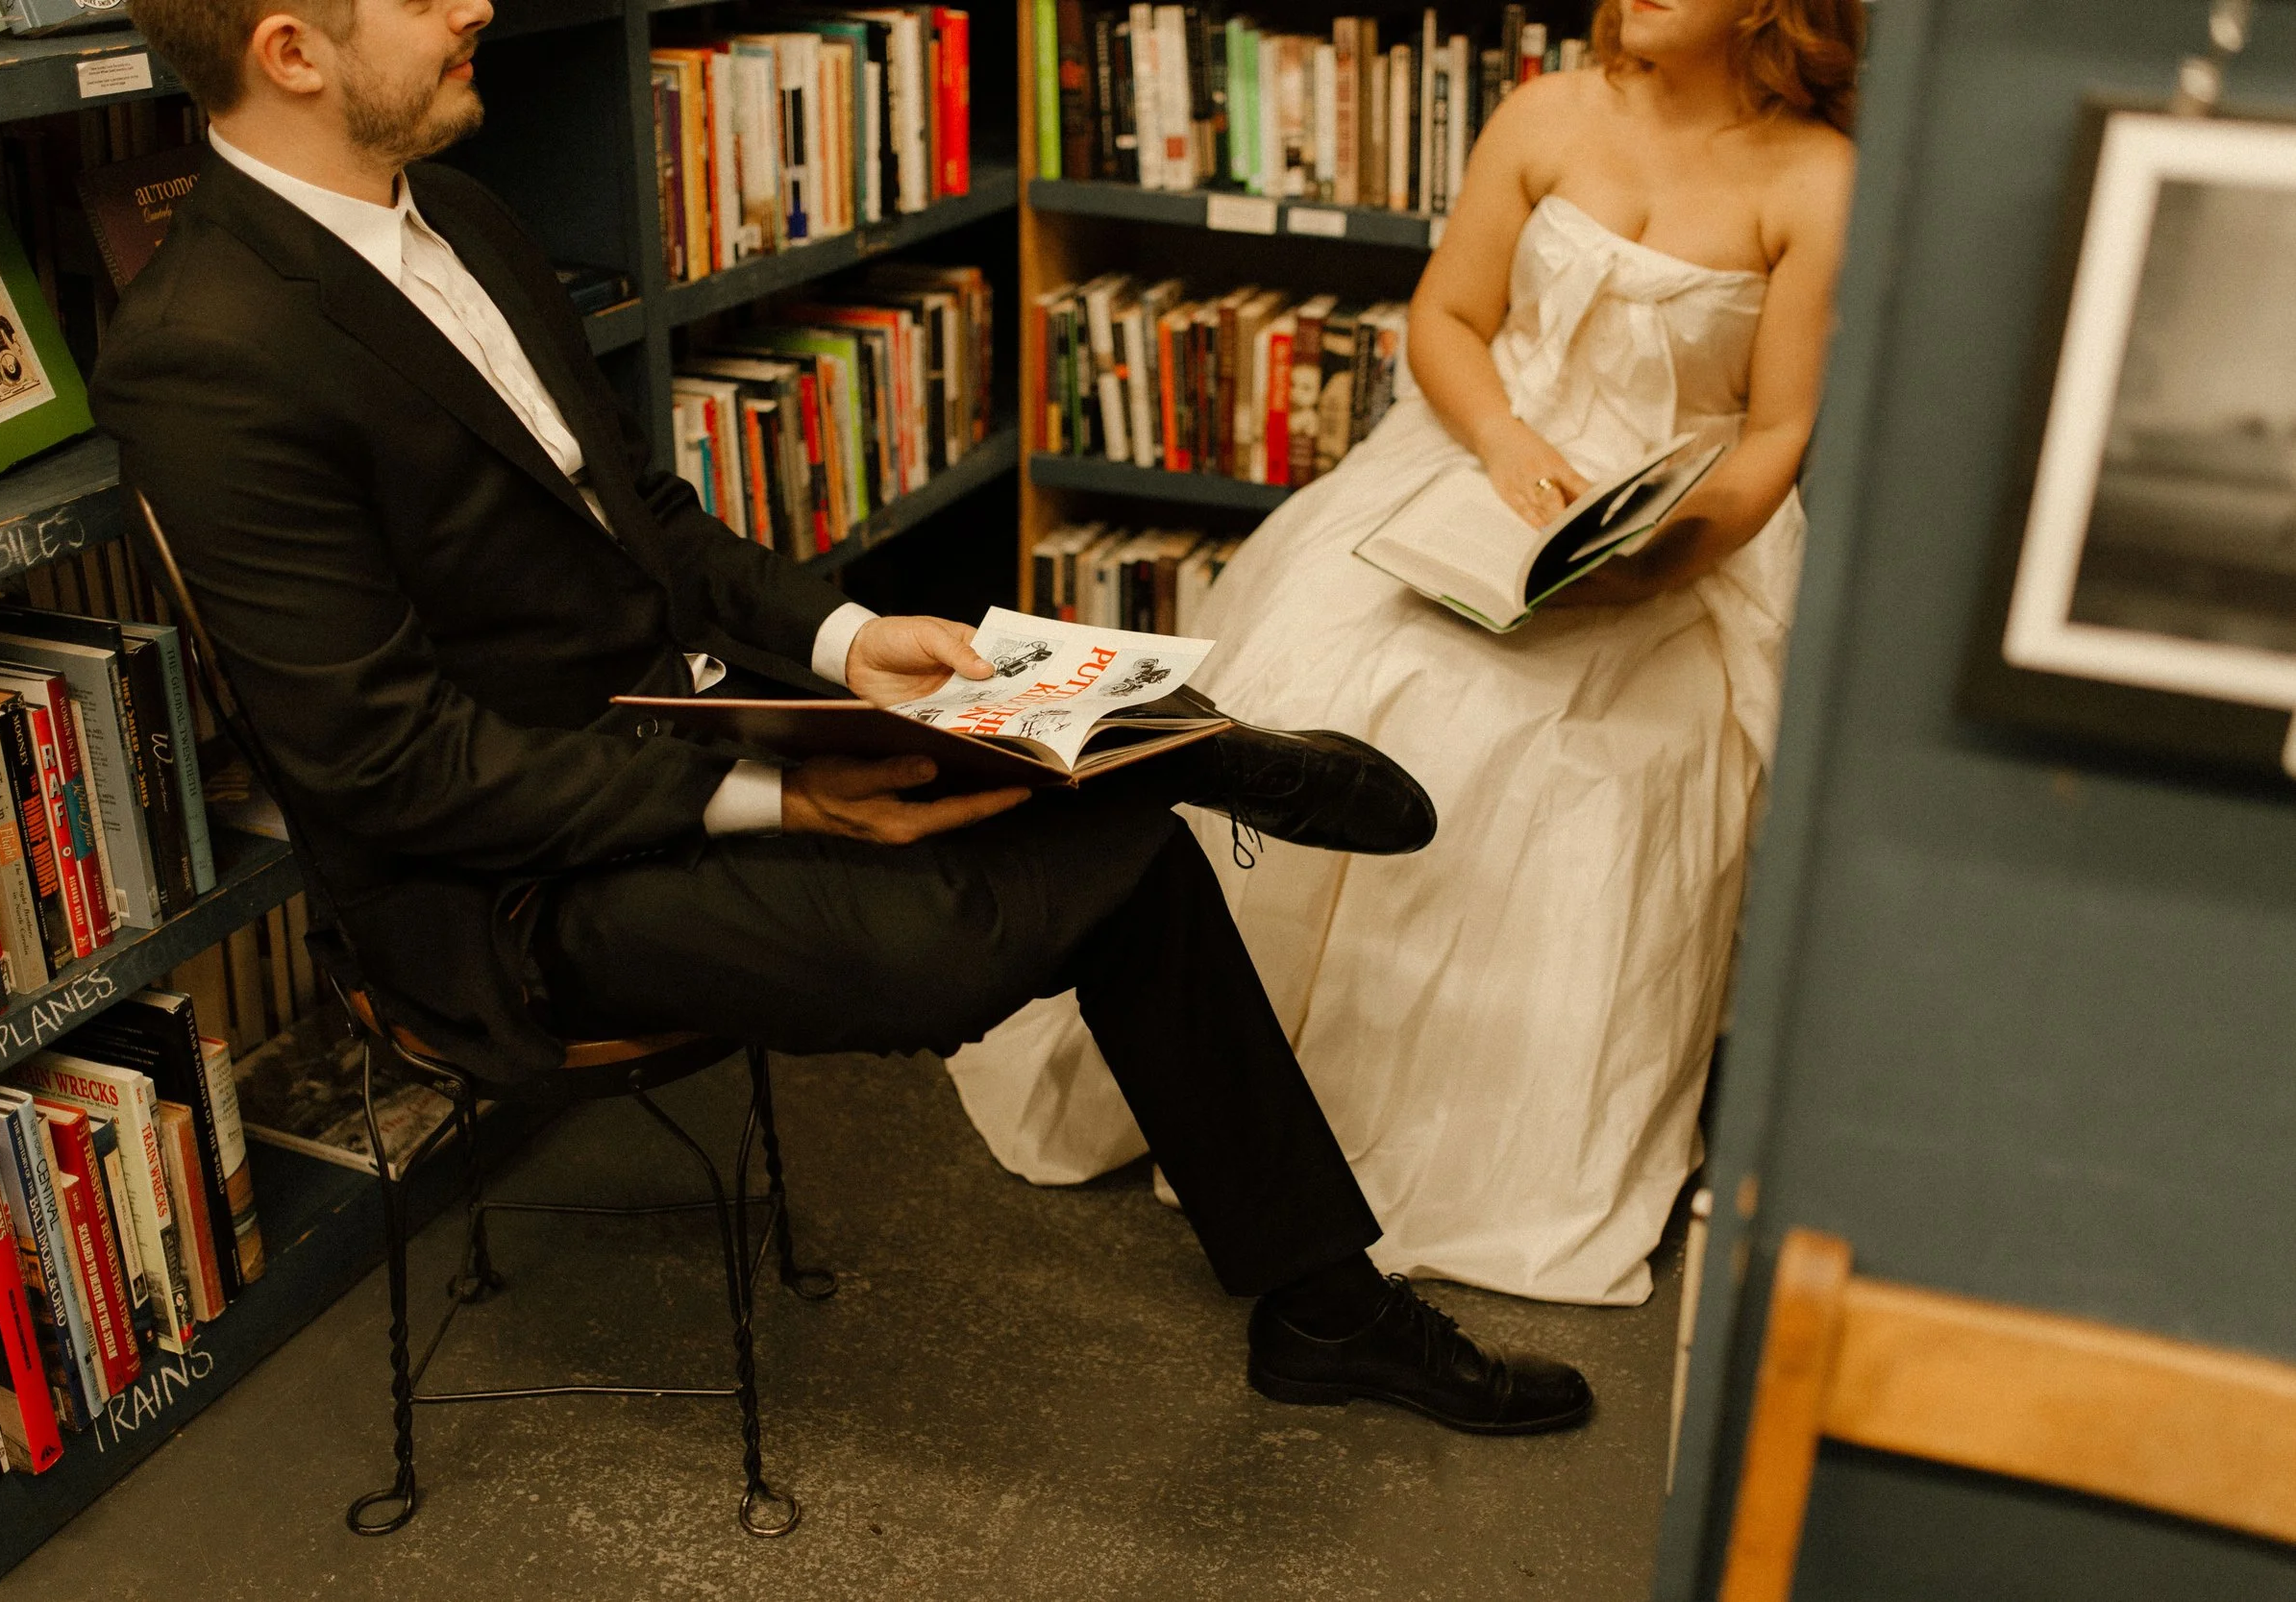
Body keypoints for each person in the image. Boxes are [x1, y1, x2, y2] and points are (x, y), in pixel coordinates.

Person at [97, 0, 1595, 1441]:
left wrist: (848, 636)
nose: (477, 5)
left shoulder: (466, 220)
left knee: (1034, 791)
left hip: (683, 728)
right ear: (290, 55)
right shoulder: (205, 352)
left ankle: (1311, 1271)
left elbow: (652, 526)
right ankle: (1188, 760)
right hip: (499, 883)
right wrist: (785, 799)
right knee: (1005, 906)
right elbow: (393, 765)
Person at [950, 0, 1863, 1305]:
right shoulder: (1545, 113)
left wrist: (1653, 560)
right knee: (1321, 686)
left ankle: (1469, 1161)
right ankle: (1243, 1104)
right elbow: (1448, 317)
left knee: (1585, 766)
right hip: (1478, 466)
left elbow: (1776, 434)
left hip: (1677, 528)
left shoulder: (1818, 176)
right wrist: (1502, 445)